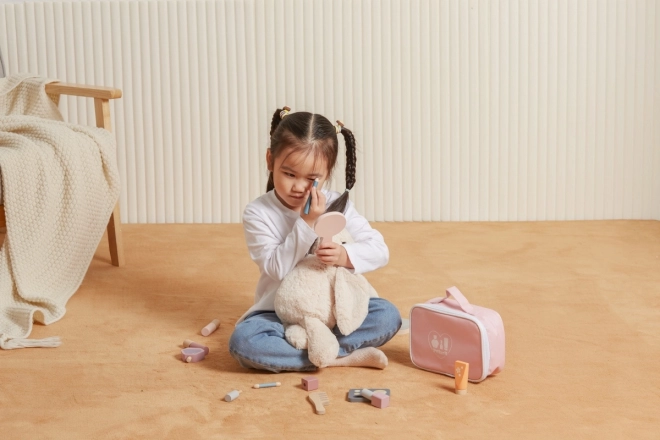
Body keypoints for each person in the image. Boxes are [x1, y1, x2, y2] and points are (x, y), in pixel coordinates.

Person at [228, 106, 401, 372]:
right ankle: (339, 357)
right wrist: (307, 222)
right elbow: (276, 268)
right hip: (279, 313)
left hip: (335, 309)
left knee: (388, 315)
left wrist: (345, 256)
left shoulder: (338, 204)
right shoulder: (258, 212)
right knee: (244, 342)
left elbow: (380, 250)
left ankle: (317, 351)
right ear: (269, 160)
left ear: (327, 173)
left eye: (312, 179)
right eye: (289, 174)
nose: (298, 187)